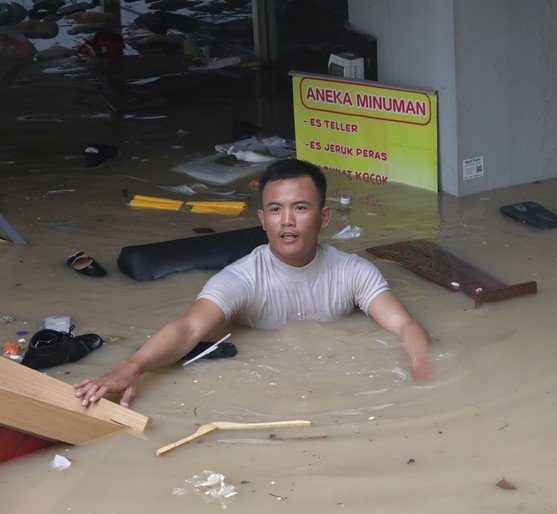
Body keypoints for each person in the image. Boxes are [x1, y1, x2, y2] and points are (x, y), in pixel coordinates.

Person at [75, 158, 431, 408]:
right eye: (275, 209)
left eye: (300, 208)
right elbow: (187, 330)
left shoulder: (353, 271)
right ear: (262, 219)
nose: (287, 221)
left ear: (324, 218)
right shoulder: (241, 278)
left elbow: (404, 324)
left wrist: (422, 370)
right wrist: (129, 367)